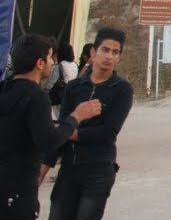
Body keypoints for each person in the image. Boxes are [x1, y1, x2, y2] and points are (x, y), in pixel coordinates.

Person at [0, 34, 101, 220]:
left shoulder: (5, 88)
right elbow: (49, 141)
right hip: (18, 191)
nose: (52, 62)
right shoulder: (35, 96)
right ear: (39, 63)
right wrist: (76, 116)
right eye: (49, 57)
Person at [44, 27, 134, 220]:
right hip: (69, 168)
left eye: (115, 52)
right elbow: (63, 126)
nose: (109, 56)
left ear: (119, 57)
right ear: (93, 52)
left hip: (98, 170)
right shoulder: (73, 88)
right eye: (105, 50)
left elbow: (109, 132)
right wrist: (44, 167)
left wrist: (72, 133)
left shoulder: (122, 90)